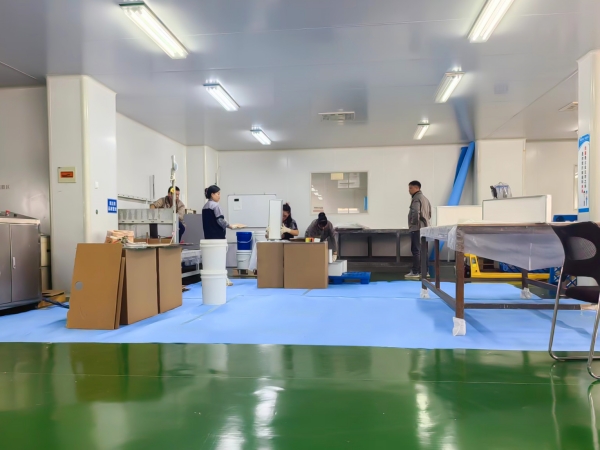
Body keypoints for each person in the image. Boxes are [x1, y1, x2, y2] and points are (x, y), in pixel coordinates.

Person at [202, 185, 243, 286]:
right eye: (218, 194)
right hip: (218, 237)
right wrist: (230, 226)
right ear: (212, 194)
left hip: (208, 237)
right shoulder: (216, 206)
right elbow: (220, 220)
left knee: (211, 260)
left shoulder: (205, 207)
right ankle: (223, 279)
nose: (219, 196)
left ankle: (212, 280)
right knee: (220, 259)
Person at [406, 180, 431, 279]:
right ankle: (425, 271)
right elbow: (429, 214)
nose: (409, 190)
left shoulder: (416, 198)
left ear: (417, 188)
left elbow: (416, 212)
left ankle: (415, 271)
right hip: (425, 228)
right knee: (424, 250)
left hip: (417, 228)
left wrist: (413, 223)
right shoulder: (426, 199)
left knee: (416, 250)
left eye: (410, 188)